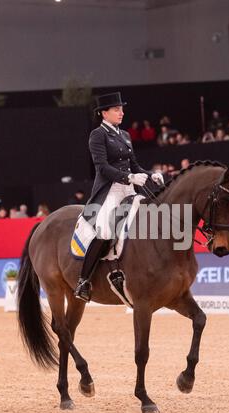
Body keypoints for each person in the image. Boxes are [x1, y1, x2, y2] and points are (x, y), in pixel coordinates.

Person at [74, 92, 164, 302]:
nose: (121, 112)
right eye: (116, 109)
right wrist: (129, 177)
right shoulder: (97, 135)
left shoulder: (124, 135)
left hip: (129, 188)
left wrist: (151, 175)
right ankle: (83, 281)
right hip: (109, 190)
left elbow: (134, 165)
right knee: (105, 230)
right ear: (104, 113)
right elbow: (103, 167)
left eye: (121, 109)